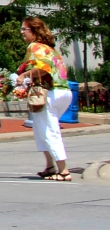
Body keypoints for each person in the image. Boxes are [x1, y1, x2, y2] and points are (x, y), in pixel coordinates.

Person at [16, 17, 72, 181]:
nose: (22, 33)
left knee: (48, 130)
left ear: (34, 31)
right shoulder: (50, 48)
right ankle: (49, 166)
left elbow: (43, 69)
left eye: (24, 29)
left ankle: (63, 170)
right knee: (40, 129)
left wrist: (24, 76)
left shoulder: (35, 46)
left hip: (49, 94)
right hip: (64, 92)